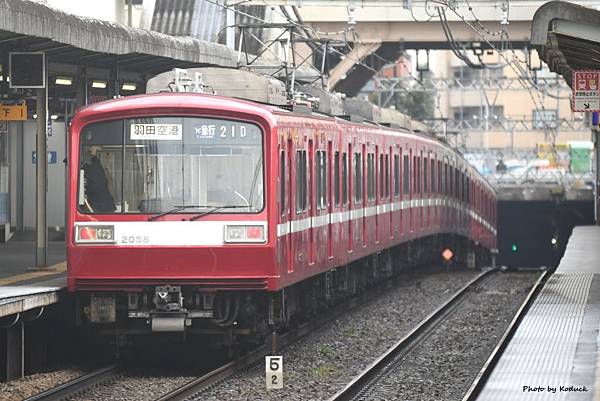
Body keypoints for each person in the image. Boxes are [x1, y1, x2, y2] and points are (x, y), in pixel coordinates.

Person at [83, 146, 115, 212]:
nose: (109, 161)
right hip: (101, 207)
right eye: (107, 157)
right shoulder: (95, 171)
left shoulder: (95, 170)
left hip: (100, 207)